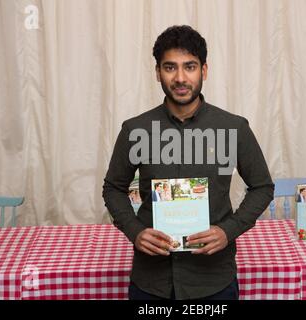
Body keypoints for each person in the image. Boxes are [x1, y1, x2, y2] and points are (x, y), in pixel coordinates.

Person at [103, 25, 274, 300]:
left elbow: (263, 187)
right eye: (170, 67)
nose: (180, 78)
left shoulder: (234, 128)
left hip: (213, 282)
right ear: (158, 72)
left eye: (190, 67)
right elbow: (113, 187)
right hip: (151, 283)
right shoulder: (135, 130)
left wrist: (228, 230)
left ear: (204, 71)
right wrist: (135, 231)